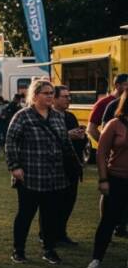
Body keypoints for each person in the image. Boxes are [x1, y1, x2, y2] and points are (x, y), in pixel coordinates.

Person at [5, 79, 78, 265]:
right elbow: (11, 142)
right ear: (35, 95)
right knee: (25, 214)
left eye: (52, 93)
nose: (50, 96)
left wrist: (74, 164)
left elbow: (65, 142)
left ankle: (49, 249)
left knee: (50, 215)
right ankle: (18, 250)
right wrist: (15, 166)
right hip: (30, 175)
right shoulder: (22, 116)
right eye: (46, 93)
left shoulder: (57, 116)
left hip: (55, 176)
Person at [87, 89, 128, 268]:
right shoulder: (115, 124)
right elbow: (101, 153)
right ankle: (96, 259)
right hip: (116, 178)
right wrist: (103, 179)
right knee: (108, 220)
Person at [53, 85, 86, 246]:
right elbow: (47, 141)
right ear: (55, 98)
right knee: (54, 204)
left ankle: (61, 233)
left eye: (69, 96)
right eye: (65, 96)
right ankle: (47, 234)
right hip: (55, 168)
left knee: (68, 202)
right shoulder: (48, 117)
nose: (68, 99)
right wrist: (68, 136)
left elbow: (77, 145)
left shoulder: (70, 117)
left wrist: (81, 136)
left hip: (71, 167)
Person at [87, 73, 128, 143]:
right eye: (126, 84)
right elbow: (91, 129)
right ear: (117, 86)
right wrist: (107, 145)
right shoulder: (104, 103)